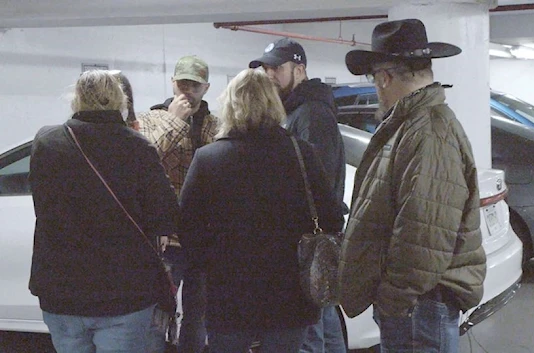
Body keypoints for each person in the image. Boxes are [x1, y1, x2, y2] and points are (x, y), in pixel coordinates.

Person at [338, 19, 487, 353]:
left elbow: (425, 231)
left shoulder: (427, 131)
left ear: (384, 77)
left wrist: (393, 298)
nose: (375, 86)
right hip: (418, 303)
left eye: (374, 78)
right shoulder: (415, 125)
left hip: (418, 305)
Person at [178, 68, 345, 353]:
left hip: (228, 293)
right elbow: (331, 217)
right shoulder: (300, 153)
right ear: (274, 103)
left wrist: (209, 263)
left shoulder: (208, 159)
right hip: (289, 294)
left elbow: (187, 228)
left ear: (229, 105)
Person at [28, 70, 180, 353]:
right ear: (119, 100)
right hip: (124, 293)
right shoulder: (138, 147)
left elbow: (42, 202)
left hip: (61, 290)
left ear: (76, 99)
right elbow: (166, 214)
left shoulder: (46, 141)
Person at [249, 37, 347, 353]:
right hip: (309, 241)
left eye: (276, 67)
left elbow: (316, 179)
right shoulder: (298, 111)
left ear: (300, 69)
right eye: (264, 68)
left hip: (306, 242)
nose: (268, 74)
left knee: (308, 333)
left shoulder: (311, 114)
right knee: (324, 323)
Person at [137, 55, 217, 352]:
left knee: (198, 315)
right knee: (159, 314)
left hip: (202, 238)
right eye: (182, 83)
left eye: (194, 85)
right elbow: (143, 162)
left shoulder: (215, 125)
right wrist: (174, 120)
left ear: (205, 88)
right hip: (165, 238)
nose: (187, 91)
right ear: (173, 83)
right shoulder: (151, 119)